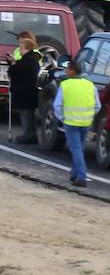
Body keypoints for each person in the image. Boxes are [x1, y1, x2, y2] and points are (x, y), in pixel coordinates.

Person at [53, 59, 100, 188]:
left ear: (72, 71)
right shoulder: (90, 85)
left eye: (67, 69)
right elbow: (97, 105)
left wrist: (63, 118)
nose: (66, 71)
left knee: (76, 149)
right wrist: (89, 116)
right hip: (86, 122)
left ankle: (81, 176)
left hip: (71, 122)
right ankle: (74, 173)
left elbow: (57, 105)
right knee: (79, 148)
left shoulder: (65, 85)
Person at [8, 30, 42, 144]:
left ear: (27, 48)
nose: (19, 50)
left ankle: (28, 135)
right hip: (30, 91)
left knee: (25, 114)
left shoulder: (27, 60)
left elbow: (14, 71)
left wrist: (13, 64)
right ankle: (31, 134)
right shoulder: (32, 59)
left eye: (21, 48)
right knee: (29, 114)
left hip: (24, 92)